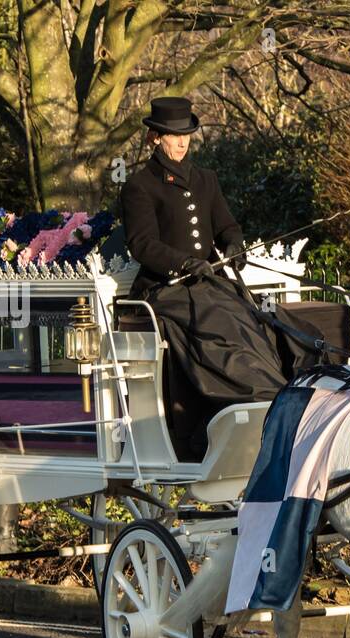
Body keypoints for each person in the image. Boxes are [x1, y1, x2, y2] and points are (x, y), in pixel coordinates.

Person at [120, 96, 321, 456]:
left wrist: (233, 245)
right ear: (155, 138)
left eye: (186, 136)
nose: (182, 143)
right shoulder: (140, 185)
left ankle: (287, 389)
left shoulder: (206, 179)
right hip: (167, 289)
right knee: (219, 323)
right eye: (173, 136)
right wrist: (183, 263)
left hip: (208, 282)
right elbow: (142, 244)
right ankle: (261, 396)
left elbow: (227, 226)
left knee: (257, 317)